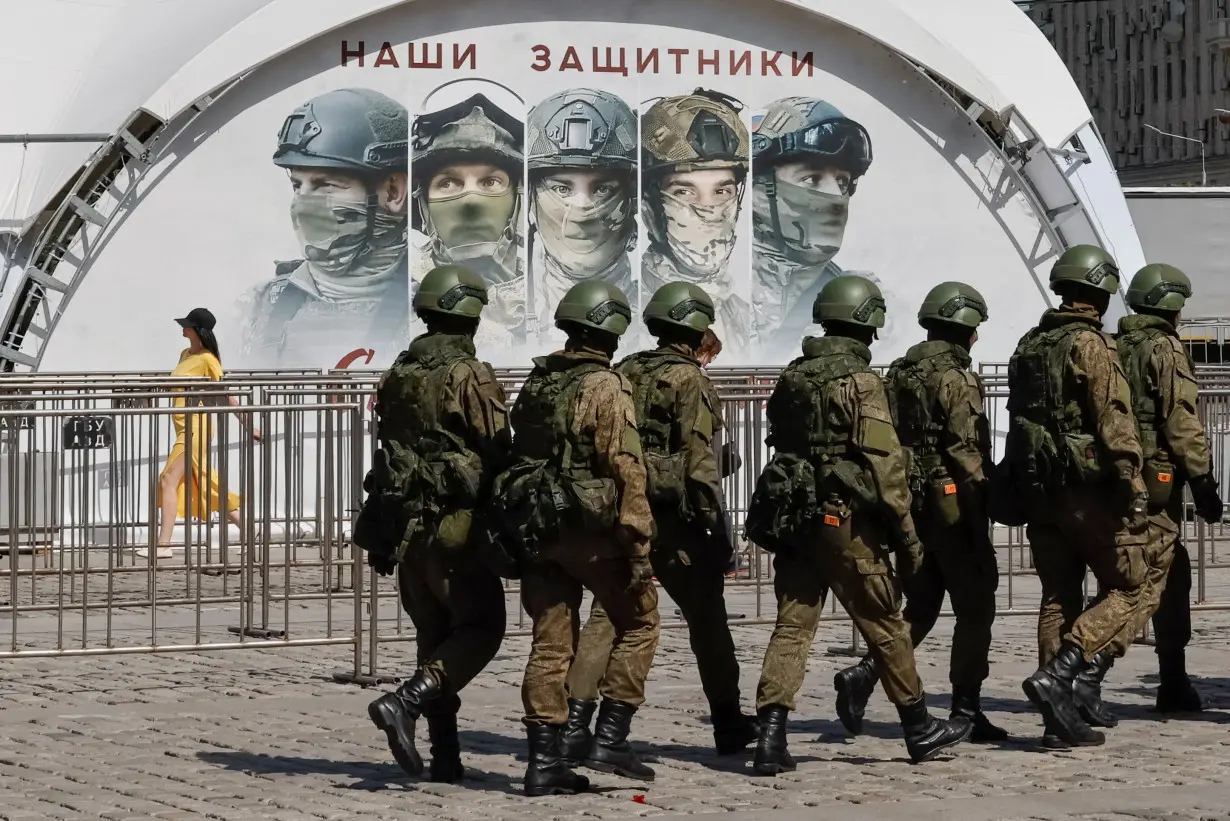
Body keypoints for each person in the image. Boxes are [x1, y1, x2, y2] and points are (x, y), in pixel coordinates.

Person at [745, 275, 970, 773]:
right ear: (868, 321)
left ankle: (770, 737)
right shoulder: (862, 382)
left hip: (796, 520)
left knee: (792, 627)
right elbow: (886, 467)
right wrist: (907, 535)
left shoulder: (794, 374)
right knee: (885, 623)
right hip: (845, 525)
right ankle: (918, 726)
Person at [560, 282, 757, 762]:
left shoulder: (625, 369)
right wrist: (714, 526)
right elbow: (700, 465)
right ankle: (728, 723)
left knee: (606, 621)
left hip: (627, 515)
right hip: (679, 522)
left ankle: (573, 726)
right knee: (708, 625)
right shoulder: (691, 380)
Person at [494, 281, 659, 796]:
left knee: (551, 643)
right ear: (611, 329)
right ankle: (610, 735)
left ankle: (544, 762)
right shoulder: (606, 386)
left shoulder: (541, 381)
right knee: (642, 622)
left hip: (538, 529)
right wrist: (638, 543)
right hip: (589, 533)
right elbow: (625, 466)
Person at [833, 282, 1007, 742]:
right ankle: (966, 709)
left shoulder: (900, 371)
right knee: (975, 606)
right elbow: (964, 449)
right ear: (964, 327)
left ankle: (867, 672)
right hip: (950, 502)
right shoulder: (957, 377)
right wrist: (980, 506)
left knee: (924, 603)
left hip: (911, 500)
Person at [995, 244, 1150, 749]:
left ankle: (1055, 716)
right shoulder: (1091, 345)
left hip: (1038, 488)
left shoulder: (1028, 345)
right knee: (1130, 586)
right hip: (1086, 490)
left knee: (1058, 595)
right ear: (1100, 293)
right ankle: (1062, 673)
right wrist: (1131, 480)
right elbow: (1114, 417)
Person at [362, 265, 511, 783]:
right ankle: (405, 702)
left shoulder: (399, 372)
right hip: (454, 525)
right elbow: (496, 444)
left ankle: (445, 756)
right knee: (483, 626)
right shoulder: (467, 374)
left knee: (434, 635)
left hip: (406, 526)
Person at [1087, 264, 1221, 720]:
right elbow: (1180, 420)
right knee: (1146, 583)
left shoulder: (1113, 344)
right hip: (1155, 487)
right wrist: (1203, 481)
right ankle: (1083, 673)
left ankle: (1173, 680)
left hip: (1113, 483)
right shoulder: (1163, 347)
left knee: (1156, 575)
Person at [239, 88, 410, 368]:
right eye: (297, 186)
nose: (303, 203)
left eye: (325, 185)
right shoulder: (258, 306)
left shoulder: (436, 313)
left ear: (393, 192)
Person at [750, 98, 877, 357]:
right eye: (810, 179)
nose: (836, 197)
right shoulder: (722, 293)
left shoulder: (865, 301)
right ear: (758, 188)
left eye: (842, 182)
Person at [140, 308, 260, 560]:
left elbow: (224, 394)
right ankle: (248, 528)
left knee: (168, 480)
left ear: (196, 330)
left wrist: (248, 424)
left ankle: (163, 545)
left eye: (187, 325)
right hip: (183, 426)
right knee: (202, 483)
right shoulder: (185, 354)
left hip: (196, 427)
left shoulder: (209, 360)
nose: (182, 328)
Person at [410, 92, 526, 349]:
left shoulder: (547, 300)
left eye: (490, 182)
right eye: (448, 183)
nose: (471, 201)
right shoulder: (396, 303)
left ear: (518, 199)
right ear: (423, 203)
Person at [526, 88, 638, 345]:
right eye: (561, 189)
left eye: (603, 189)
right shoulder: (503, 322)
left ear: (631, 201)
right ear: (532, 199)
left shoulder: (654, 319)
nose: (582, 210)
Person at [640, 88, 750, 347]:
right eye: (685, 191)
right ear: (650, 205)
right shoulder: (624, 318)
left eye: (722, 191)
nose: (707, 208)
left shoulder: (746, 322)